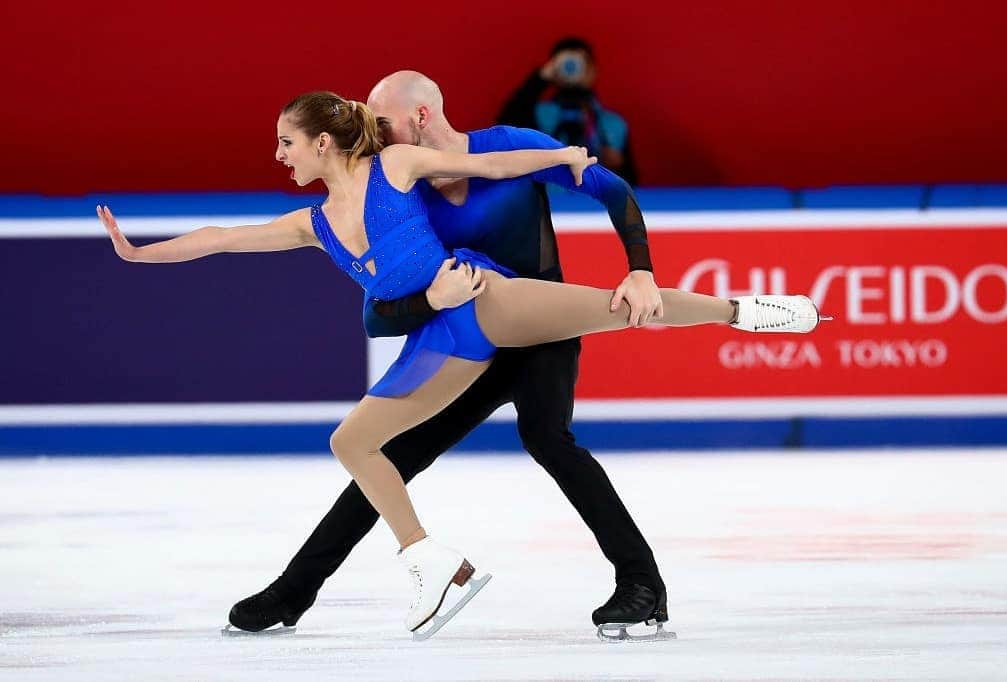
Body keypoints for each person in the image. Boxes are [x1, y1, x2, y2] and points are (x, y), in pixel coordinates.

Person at [97, 90, 825, 640]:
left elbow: (513, 167)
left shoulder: (412, 162)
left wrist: (570, 170)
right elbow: (250, 248)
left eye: (288, 142)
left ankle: (748, 318)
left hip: (513, 321)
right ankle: (317, 587)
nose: (282, 154)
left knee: (568, 404)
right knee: (370, 449)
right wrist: (136, 251)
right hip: (451, 336)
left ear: (412, 117)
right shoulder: (324, 216)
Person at [230, 70, 673, 644]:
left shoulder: (508, 146)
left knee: (548, 438)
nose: (370, 133)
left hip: (536, 326)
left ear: (419, 117)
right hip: (466, 346)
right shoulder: (397, 189)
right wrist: (430, 299)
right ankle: (294, 591)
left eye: (381, 122)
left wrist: (639, 268)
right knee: (391, 454)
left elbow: (611, 188)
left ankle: (643, 585)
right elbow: (377, 312)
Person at [498, 37, 638, 185]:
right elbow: (505, 129)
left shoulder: (613, 124)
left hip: (596, 204)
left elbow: (633, 183)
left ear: (593, 69)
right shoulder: (539, 115)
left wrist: (617, 167)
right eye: (566, 62)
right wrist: (540, 77)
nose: (574, 67)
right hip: (551, 202)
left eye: (582, 62)